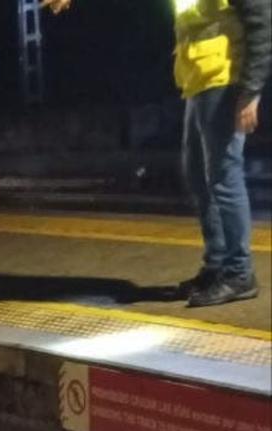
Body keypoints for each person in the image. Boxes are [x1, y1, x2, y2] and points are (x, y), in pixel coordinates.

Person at [45, 0, 270, 307]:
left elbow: (262, 20)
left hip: (225, 77)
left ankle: (239, 273)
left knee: (223, 177)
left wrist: (251, 91)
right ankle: (217, 266)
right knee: (197, 175)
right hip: (200, 77)